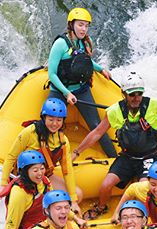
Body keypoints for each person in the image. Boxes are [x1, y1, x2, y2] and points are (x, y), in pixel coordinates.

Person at [72, 71, 157, 220]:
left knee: (143, 189)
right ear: (124, 93)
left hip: (149, 157)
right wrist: (76, 152)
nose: (136, 98)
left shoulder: (153, 104)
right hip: (127, 157)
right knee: (105, 185)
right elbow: (97, 133)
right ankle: (101, 207)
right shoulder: (114, 111)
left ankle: (141, 216)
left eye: (139, 93)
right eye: (132, 94)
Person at [47, 7, 117, 158]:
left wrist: (100, 69)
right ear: (71, 25)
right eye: (80, 25)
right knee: (49, 123)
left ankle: (114, 157)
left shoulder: (84, 42)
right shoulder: (60, 44)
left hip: (81, 89)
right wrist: (67, 93)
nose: (83, 29)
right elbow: (51, 74)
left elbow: (85, 61)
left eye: (86, 25)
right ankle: (46, 159)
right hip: (60, 91)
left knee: (97, 125)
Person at [0, 98, 82, 214]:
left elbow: (67, 170)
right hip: (25, 179)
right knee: (46, 206)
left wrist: (74, 199)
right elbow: (11, 157)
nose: (55, 124)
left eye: (59, 120)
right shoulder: (29, 132)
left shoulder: (63, 141)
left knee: (78, 194)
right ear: (44, 118)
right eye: (51, 119)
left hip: (44, 177)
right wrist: (3, 184)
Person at [1, 151, 87, 229]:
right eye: (35, 170)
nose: (40, 173)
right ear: (25, 172)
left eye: (42, 168)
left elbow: (56, 205)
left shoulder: (45, 182)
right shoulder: (19, 194)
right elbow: (10, 227)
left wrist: (76, 218)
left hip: (48, 222)